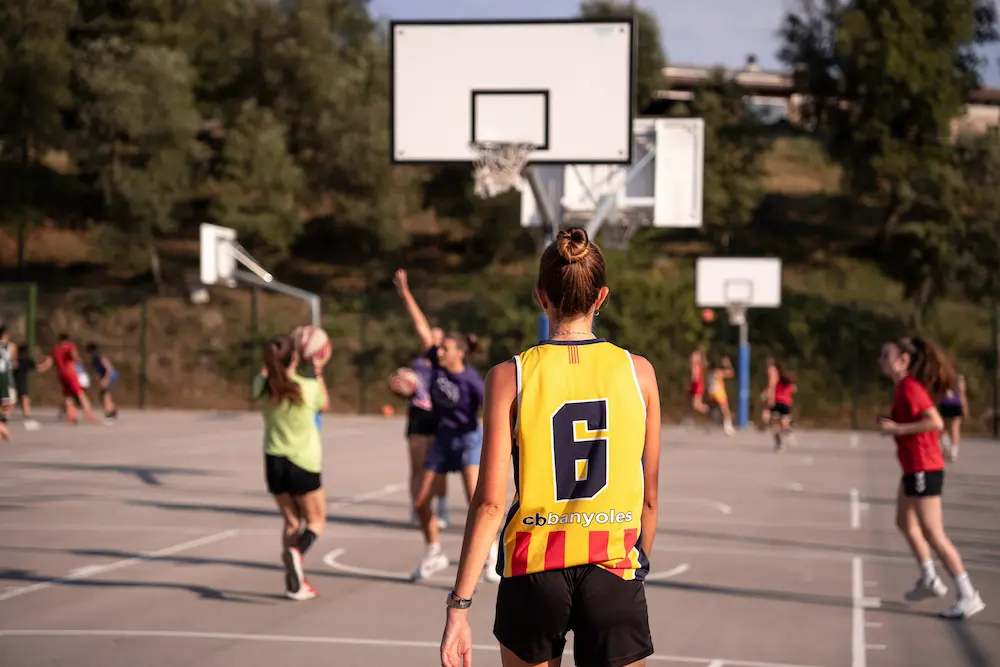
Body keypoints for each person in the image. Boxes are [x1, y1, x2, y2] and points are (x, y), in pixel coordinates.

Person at [440, 228, 662, 667]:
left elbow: (488, 503)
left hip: (535, 567)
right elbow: (649, 498)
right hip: (612, 563)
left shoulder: (510, 377)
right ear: (601, 298)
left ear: (542, 296)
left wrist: (459, 606)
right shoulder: (639, 373)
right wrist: (633, 571)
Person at [877, 336, 985, 619]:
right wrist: (894, 425)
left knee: (934, 533)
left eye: (885, 356)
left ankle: (968, 593)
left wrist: (898, 430)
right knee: (904, 521)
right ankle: (929, 577)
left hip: (924, 466)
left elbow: (935, 422)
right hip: (914, 466)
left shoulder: (910, 388)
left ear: (902, 362)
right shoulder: (903, 387)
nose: (880, 360)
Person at [253, 334, 330, 601]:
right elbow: (325, 405)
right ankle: (297, 553)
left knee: (291, 522)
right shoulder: (308, 387)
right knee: (316, 521)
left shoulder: (261, 386)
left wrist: (274, 355)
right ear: (296, 357)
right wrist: (318, 368)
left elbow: (267, 372)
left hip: (274, 462)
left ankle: (293, 582)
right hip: (303, 462)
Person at [36, 334, 98, 424]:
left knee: (68, 396)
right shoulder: (69, 346)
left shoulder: (55, 349)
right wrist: (78, 359)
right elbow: (74, 355)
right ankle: (88, 413)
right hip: (70, 373)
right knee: (80, 393)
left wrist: (41, 367)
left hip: (61, 375)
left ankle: (71, 416)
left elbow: (49, 361)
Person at [937, 372, 967, 462]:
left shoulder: (942, 378)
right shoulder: (958, 378)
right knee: (954, 428)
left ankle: (948, 447)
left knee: (944, 428)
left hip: (946, 404)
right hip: (954, 404)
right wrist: (965, 408)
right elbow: (962, 395)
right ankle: (953, 451)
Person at [85, 343, 119, 422]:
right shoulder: (94, 358)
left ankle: (108, 412)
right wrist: (99, 378)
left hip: (111, 375)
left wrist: (105, 379)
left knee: (106, 394)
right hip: (106, 376)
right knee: (102, 394)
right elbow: (98, 370)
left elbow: (109, 368)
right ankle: (113, 410)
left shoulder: (99, 356)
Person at [705, 355, 735, 435]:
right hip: (718, 392)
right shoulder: (718, 372)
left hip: (711, 393)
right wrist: (728, 364)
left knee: (712, 409)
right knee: (725, 409)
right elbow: (731, 373)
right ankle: (728, 427)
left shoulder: (708, 373)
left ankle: (709, 424)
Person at [770, 361, 796, 451]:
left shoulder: (778, 381)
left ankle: (779, 443)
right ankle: (788, 437)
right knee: (783, 425)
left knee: (776, 425)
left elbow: (772, 389)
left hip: (778, 403)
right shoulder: (789, 383)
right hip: (785, 404)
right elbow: (794, 390)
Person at [13, 343, 39, 430]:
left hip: (13, 381)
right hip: (22, 381)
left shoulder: (15, 359)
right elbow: (37, 368)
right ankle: (27, 414)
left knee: (12, 399)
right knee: (24, 397)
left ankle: (26, 414)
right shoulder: (27, 360)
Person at [758, 356, 779, 429]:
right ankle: (766, 421)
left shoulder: (771, 370)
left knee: (770, 407)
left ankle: (769, 422)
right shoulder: (774, 370)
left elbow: (772, 383)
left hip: (772, 391)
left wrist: (766, 392)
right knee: (768, 407)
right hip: (774, 390)